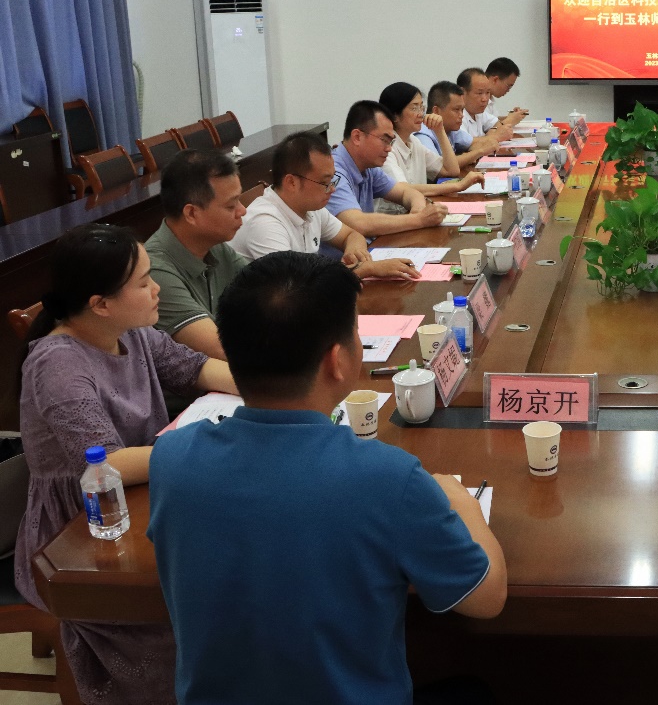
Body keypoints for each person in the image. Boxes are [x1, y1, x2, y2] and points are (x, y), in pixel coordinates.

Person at [148, 251, 507, 704]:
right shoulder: (389, 478)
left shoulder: (172, 458)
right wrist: (465, 506)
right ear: (338, 360)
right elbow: (486, 599)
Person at [16, 223, 236, 705]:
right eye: (143, 282)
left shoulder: (130, 333)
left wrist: (270, 392)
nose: (157, 289)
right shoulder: (59, 365)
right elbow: (107, 463)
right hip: (84, 529)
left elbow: (196, 367)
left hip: (146, 490)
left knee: (232, 564)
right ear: (100, 303)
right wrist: (213, 448)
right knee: (193, 608)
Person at [229, 130, 419, 280]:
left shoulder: (310, 207)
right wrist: (366, 269)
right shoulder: (265, 222)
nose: (332, 189)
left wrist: (355, 251)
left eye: (332, 180)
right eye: (324, 182)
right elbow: (293, 288)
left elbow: (351, 235)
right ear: (291, 182)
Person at [144, 149, 249, 359]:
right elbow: (220, 349)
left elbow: (269, 290)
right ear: (191, 213)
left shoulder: (215, 246)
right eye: (231, 205)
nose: (243, 210)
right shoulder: (154, 271)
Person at [327, 100, 447, 243]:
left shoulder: (368, 168)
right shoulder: (332, 172)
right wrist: (419, 219)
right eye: (384, 140)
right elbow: (358, 223)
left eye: (391, 142)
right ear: (357, 137)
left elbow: (406, 192)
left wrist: (418, 210)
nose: (389, 148)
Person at [376, 81, 483, 207]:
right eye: (414, 108)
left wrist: (440, 131)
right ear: (394, 115)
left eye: (421, 107)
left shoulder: (413, 142)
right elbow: (403, 189)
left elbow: (451, 170)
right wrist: (457, 186)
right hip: (393, 217)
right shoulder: (385, 149)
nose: (421, 114)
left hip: (416, 211)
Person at [456, 67, 513, 149]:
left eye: (487, 92)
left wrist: (492, 132)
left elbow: (498, 124)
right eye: (479, 93)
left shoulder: (478, 113)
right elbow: (465, 144)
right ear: (462, 92)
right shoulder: (457, 116)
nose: (485, 99)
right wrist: (495, 136)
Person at [483, 56, 529, 128]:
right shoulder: (478, 101)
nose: (508, 90)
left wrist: (512, 117)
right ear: (495, 80)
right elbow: (489, 130)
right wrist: (510, 120)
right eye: (508, 86)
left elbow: (490, 122)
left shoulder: (490, 99)